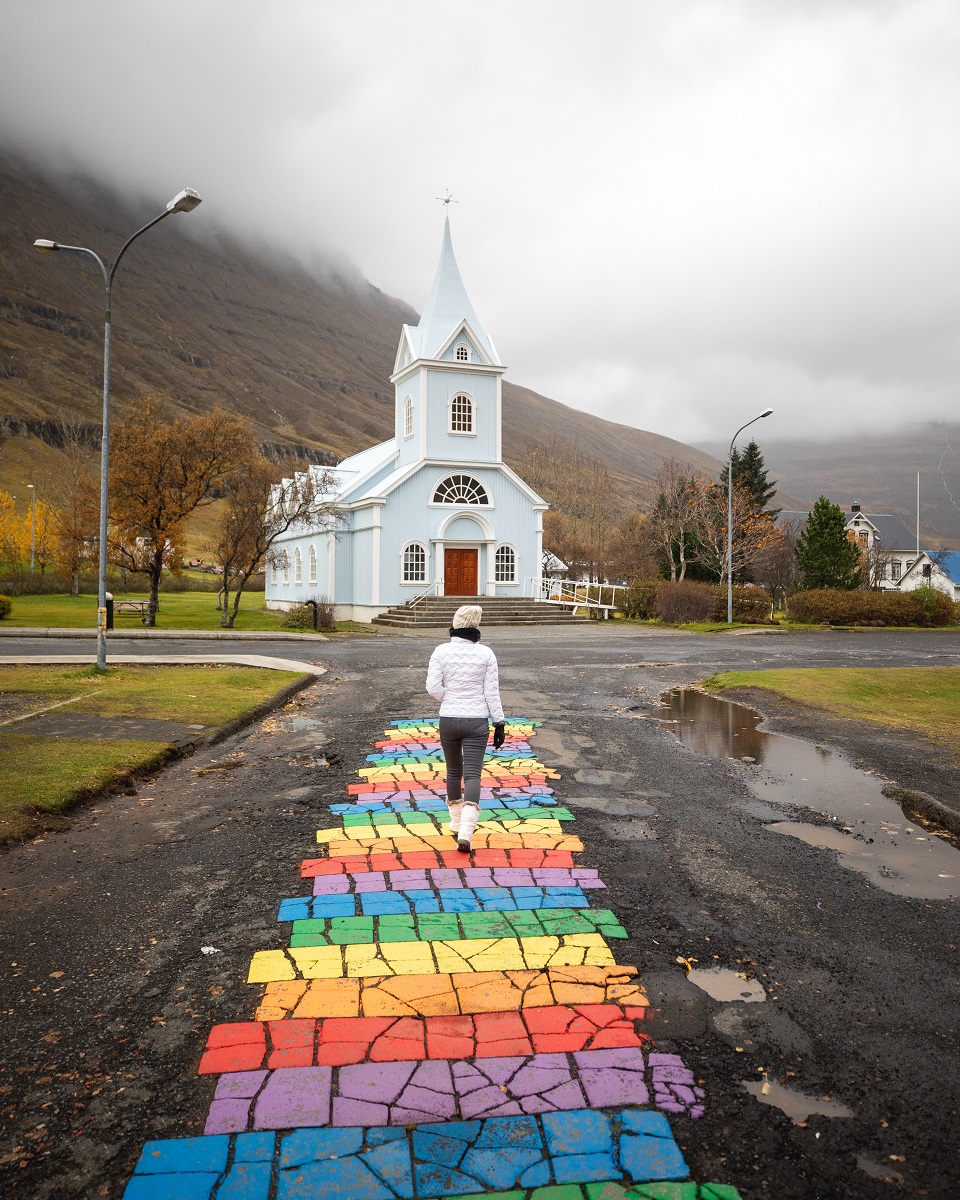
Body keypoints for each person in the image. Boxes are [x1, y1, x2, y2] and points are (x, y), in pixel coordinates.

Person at [426, 604, 506, 852]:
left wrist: (449, 698)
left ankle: (455, 822)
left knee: (453, 771)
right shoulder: (486, 654)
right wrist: (499, 722)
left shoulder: (440, 651)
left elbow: (432, 687)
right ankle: (467, 831)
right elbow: (491, 692)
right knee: (473, 775)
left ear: (455, 624)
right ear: (476, 626)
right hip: (477, 721)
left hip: (449, 719)